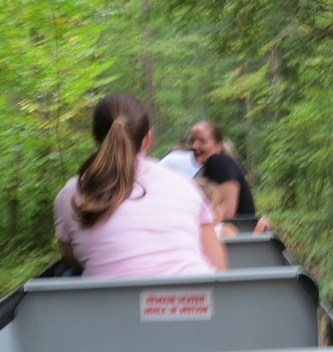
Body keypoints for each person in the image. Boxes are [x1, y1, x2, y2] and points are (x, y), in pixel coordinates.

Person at [54, 93, 227, 277]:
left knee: (64, 273)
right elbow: (219, 269)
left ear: (95, 136)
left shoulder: (71, 193)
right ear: (148, 138)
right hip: (195, 302)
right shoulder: (185, 186)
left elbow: (73, 258)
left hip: (107, 304)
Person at [188, 121, 255, 219]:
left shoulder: (219, 163)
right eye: (192, 141)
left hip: (236, 232)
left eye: (202, 141)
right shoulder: (210, 168)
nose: (194, 146)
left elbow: (226, 215)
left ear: (218, 146)